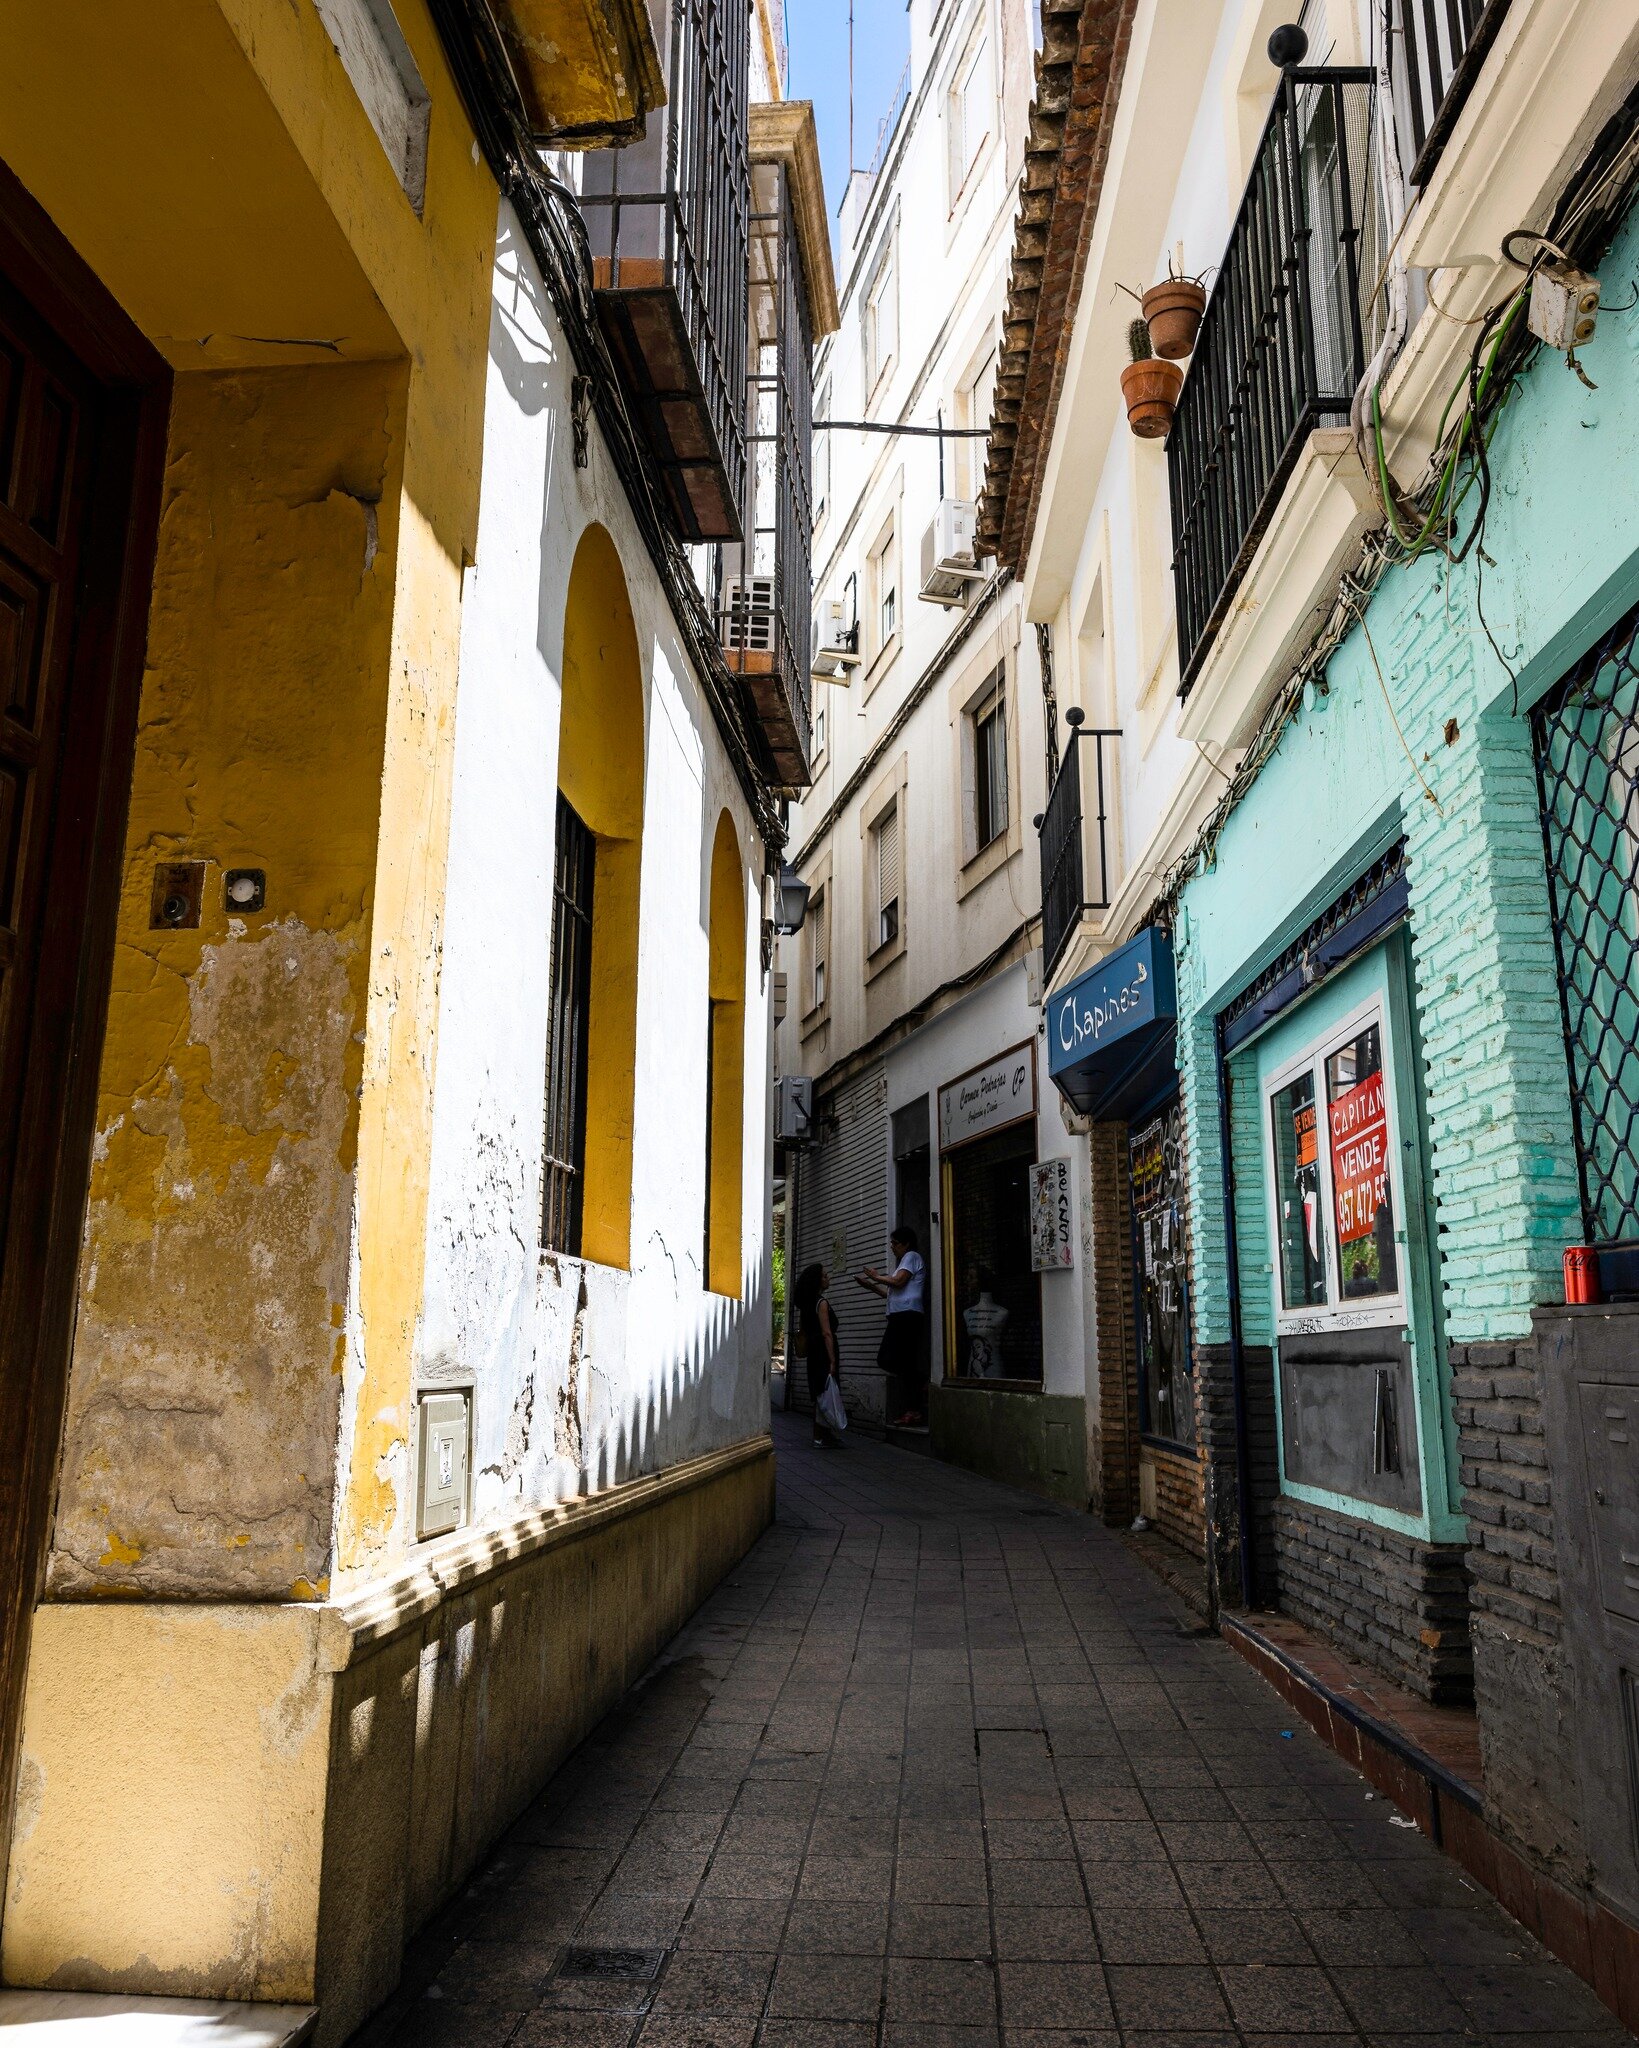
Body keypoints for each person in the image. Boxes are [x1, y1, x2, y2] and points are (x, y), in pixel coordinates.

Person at [857, 1225, 928, 1426]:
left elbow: (897, 1282)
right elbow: (892, 1292)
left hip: (907, 1315)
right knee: (894, 1361)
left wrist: (875, 1276)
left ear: (906, 1244)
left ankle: (915, 1403)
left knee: (896, 1360)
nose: (892, 1247)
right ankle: (917, 1386)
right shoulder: (903, 1262)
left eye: (895, 1243)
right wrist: (871, 1286)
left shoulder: (911, 1256)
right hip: (899, 1316)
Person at [793, 1262, 842, 1447]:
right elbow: (827, 1332)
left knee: (820, 1392)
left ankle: (823, 1434)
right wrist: (832, 1360)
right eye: (824, 1276)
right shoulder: (821, 1303)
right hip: (823, 1351)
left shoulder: (806, 1305)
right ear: (817, 1281)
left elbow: (804, 1331)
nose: (827, 1278)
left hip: (813, 1352)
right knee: (826, 1390)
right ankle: (820, 1436)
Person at [963, 1267, 1010, 1378]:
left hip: (994, 1369)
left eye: (971, 1277)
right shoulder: (967, 1313)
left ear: (981, 1281)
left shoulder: (1002, 1312)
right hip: (971, 1372)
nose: (966, 1281)